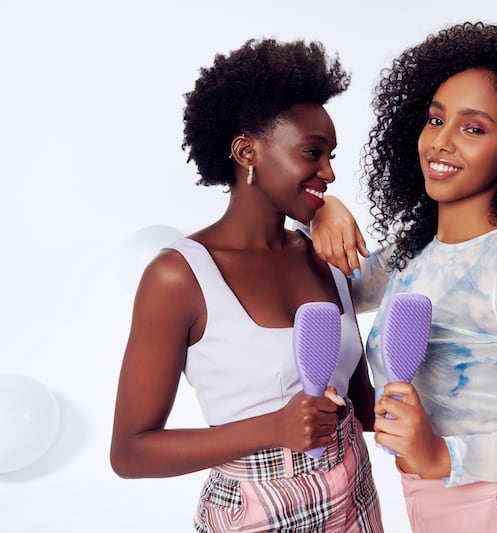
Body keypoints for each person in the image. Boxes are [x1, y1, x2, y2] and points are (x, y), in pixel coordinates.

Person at [309, 21, 497, 532]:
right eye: (435, 120)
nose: (441, 143)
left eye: (473, 129)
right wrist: (321, 207)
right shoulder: (412, 254)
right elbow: (329, 280)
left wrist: (443, 455)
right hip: (436, 508)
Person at [110, 38, 382, 533]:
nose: (330, 172)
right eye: (312, 153)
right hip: (257, 511)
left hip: (354, 495)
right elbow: (130, 453)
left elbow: (359, 402)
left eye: (331, 155)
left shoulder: (326, 256)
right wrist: (273, 427)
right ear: (245, 151)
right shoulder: (179, 276)